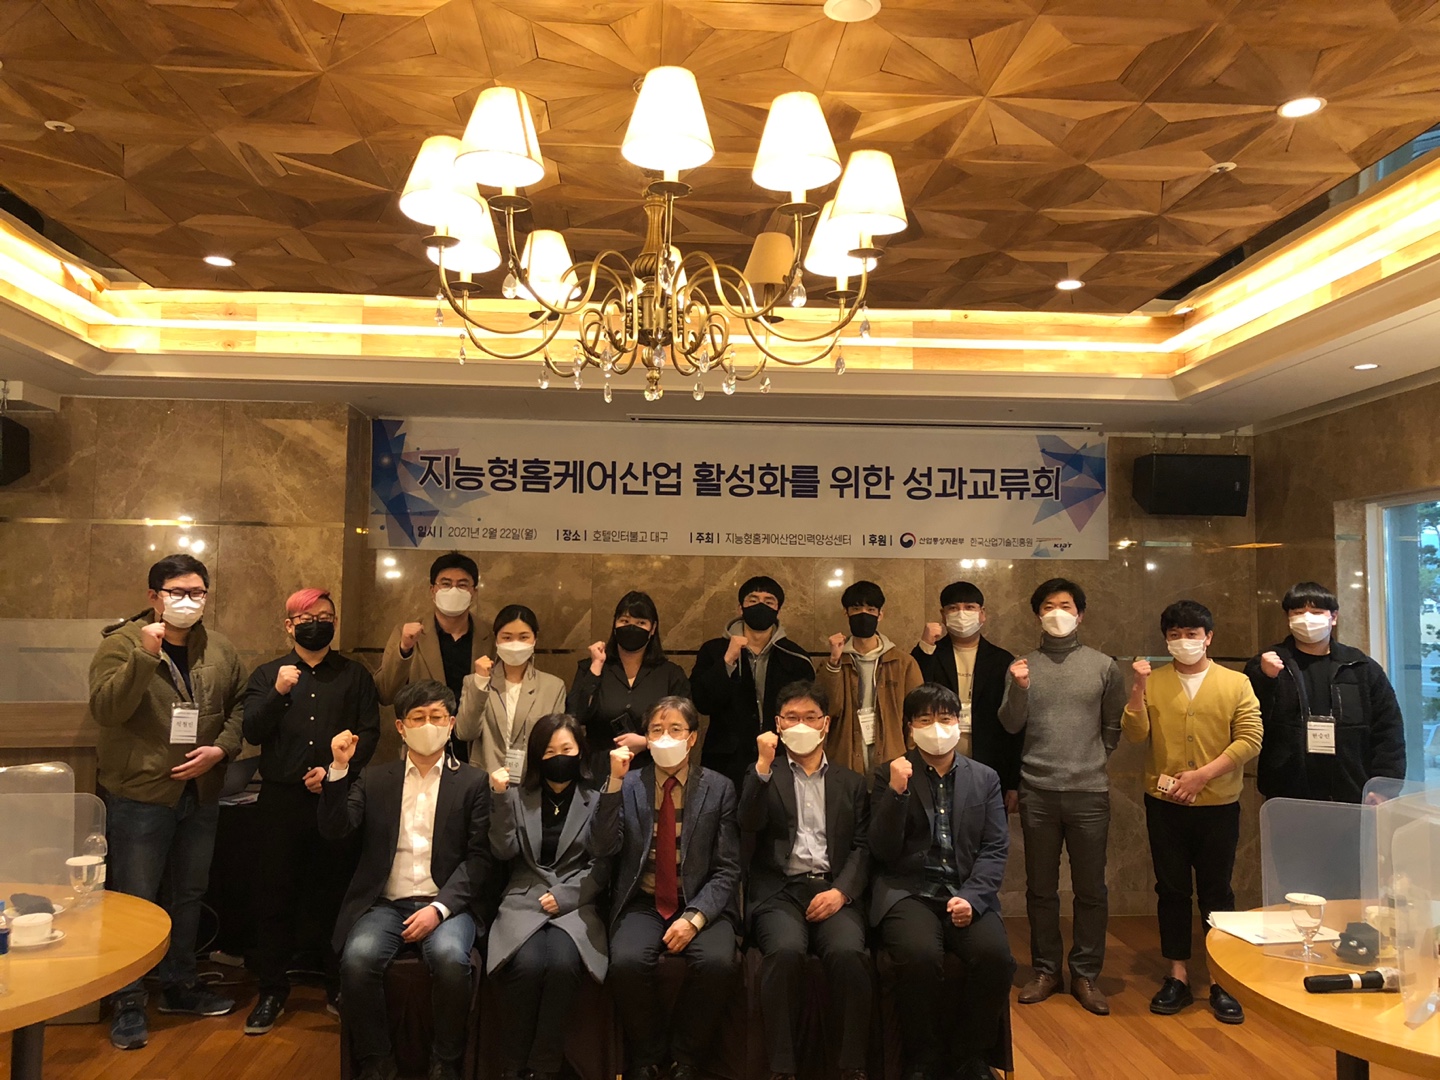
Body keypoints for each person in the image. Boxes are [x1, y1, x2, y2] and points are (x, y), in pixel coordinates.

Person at [88, 553, 246, 1050]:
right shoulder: (121, 644)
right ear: (154, 596)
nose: (188, 601)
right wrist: (144, 656)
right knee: (135, 899)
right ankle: (128, 1000)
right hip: (141, 794)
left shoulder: (219, 648)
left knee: (189, 894)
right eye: (177, 592)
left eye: (197, 592)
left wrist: (222, 749)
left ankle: (180, 985)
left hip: (200, 792)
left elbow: (242, 704)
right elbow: (106, 709)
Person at [321, 680, 492, 1080]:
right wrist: (340, 768)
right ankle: (377, 1061)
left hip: (446, 904)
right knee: (358, 960)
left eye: (437, 717)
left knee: (451, 960)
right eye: (418, 718)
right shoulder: (376, 779)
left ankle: (445, 1062)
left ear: (451, 724)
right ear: (400, 727)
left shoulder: (473, 782)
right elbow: (335, 829)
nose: (428, 725)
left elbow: (479, 859)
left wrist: (440, 909)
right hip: (385, 903)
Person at [241, 587, 382, 1035]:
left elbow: (369, 732)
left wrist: (336, 772)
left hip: (337, 799)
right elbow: (252, 730)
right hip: (280, 802)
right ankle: (271, 990)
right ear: (289, 625)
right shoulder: (268, 674)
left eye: (325, 616)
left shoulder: (354, 675)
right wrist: (279, 693)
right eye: (306, 617)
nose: (317, 623)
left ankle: (338, 986)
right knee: (274, 895)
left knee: (336, 894)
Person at [1124, 600, 1262, 1025]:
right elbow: (1135, 735)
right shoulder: (1155, 681)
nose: (1183, 641)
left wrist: (1203, 776)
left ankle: (1222, 979)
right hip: (1164, 804)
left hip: (1218, 804)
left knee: (1218, 891)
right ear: (1165, 640)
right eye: (1175, 635)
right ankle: (1177, 975)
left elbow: (1251, 738)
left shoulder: (1236, 682)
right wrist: (1137, 689)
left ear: (1208, 637)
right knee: (1171, 888)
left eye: (1191, 634)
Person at [591, 697, 740, 1080]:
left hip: (700, 901)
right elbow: (603, 847)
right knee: (625, 963)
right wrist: (613, 782)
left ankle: (686, 1058)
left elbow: (727, 868)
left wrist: (695, 918)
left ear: (692, 738)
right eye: (656, 730)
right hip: (642, 899)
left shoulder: (719, 788)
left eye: (675, 729)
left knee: (718, 963)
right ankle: (648, 1055)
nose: (665, 737)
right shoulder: (628, 784)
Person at [871, 684, 1015, 1080]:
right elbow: (881, 849)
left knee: (996, 958)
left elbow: (995, 847)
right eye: (925, 719)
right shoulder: (888, 774)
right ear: (909, 727)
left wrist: (973, 897)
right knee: (918, 956)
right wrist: (896, 793)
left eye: (945, 718)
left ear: (959, 723)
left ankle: (969, 1055)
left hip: (965, 890)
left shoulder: (984, 777)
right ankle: (923, 1056)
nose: (937, 727)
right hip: (909, 892)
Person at [998, 577, 1124, 1015]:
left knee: (1091, 889)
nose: (1057, 613)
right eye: (1048, 606)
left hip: (1089, 792)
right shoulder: (1022, 666)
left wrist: (1093, 757)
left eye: (1066, 605)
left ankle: (1085, 973)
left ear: (1080, 614)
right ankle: (1046, 970)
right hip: (1038, 791)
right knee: (1040, 888)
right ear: (1038, 614)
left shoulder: (1103, 666)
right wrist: (1020, 687)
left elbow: (1113, 725)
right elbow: (1010, 724)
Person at [739, 681, 870, 1080]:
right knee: (784, 952)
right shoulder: (765, 773)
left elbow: (863, 846)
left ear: (825, 724)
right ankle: (782, 1068)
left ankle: (852, 1066)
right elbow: (747, 823)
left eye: (810, 717)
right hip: (780, 891)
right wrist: (762, 767)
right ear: (778, 724)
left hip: (833, 888)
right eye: (791, 717)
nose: (801, 725)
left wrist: (842, 891)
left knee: (848, 954)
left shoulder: (851, 782)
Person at [486, 713, 608, 1080]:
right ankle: (512, 1066)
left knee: (562, 965)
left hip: (574, 900)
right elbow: (504, 850)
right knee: (525, 965)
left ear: (580, 751)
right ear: (538, 756)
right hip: (524, 896)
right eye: (550, 751)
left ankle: (543, 1067)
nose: (559, 757)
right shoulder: (517, 796)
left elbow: (602, 862)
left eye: (567, 749)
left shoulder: (596, 799)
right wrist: (499, 797)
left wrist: (568, 895)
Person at [1244, 581, 1404, 802]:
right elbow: (1250, 724)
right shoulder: (1266, 665)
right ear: (1288, 618)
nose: (1307, 619)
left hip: (1351, 789)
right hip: (1287, 792)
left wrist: (1384, 787)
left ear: (1334, 617)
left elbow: (1388, 729)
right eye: (1298, 612)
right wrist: (1264, 679)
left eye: (1317, 612)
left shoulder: (1360, 667)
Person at [691, 575, 815, 791]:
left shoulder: (796, 656)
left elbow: (808, 712)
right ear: (740, 608)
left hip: (782, 757)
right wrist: (727, 661)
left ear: (778, 610)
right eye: (753, 600)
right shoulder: (713, 651)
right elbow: (702, 703)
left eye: (769, 601)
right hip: (725, 760)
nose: (760, 606)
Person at [912, 580, 1022, 815]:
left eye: (969, 607)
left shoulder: (1002, 660)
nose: (961, 614)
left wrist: (1013, 782)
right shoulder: (931, 654)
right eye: (953, 608)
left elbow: (1013, 725)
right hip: (936, 760)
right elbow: (915, 691)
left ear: (982, 614)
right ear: (943, 615)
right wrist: (925, 647)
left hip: (989, 763)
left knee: (982, 828)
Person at [376, 552, 490, 757]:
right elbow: (385, 693)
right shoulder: (408, 634)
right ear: (433, 590)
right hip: (424, 748)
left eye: (462, 585)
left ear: (474, 591)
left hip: (476, 747)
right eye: (445, 584)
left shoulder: (489, 636)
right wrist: (404, 649)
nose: (453, 590)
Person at [567, 591, 690, 780]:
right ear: (615, 625)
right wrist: (596, 667)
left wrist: (647, 742)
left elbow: (685, 728)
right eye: (624, 621)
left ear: (652, 628)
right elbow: (576, 715)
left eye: (641, 623)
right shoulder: (591, 667)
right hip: (599, 771)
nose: (631, 627)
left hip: (653, 773)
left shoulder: (671, 674)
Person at [818, 580, 923, 777]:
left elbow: (917, 716)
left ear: (880, 614)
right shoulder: (835, 662)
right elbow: (827, 709)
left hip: (892, 760)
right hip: (844, 762)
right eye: (856, 609)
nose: (863, 614)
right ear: (846, 613)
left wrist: (911, 756)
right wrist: (834, 662)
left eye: (871, 609)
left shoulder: (903, 663)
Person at [455, 605, 567, 779]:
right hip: (485, 780)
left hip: (532, 781)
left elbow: (554, 742)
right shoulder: (474, 682)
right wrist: (481, 682)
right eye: (507, 637)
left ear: (535, 640)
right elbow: (465, 732)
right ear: (496, 640)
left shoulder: (552, 686)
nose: (515, 644)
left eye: (524, 637)